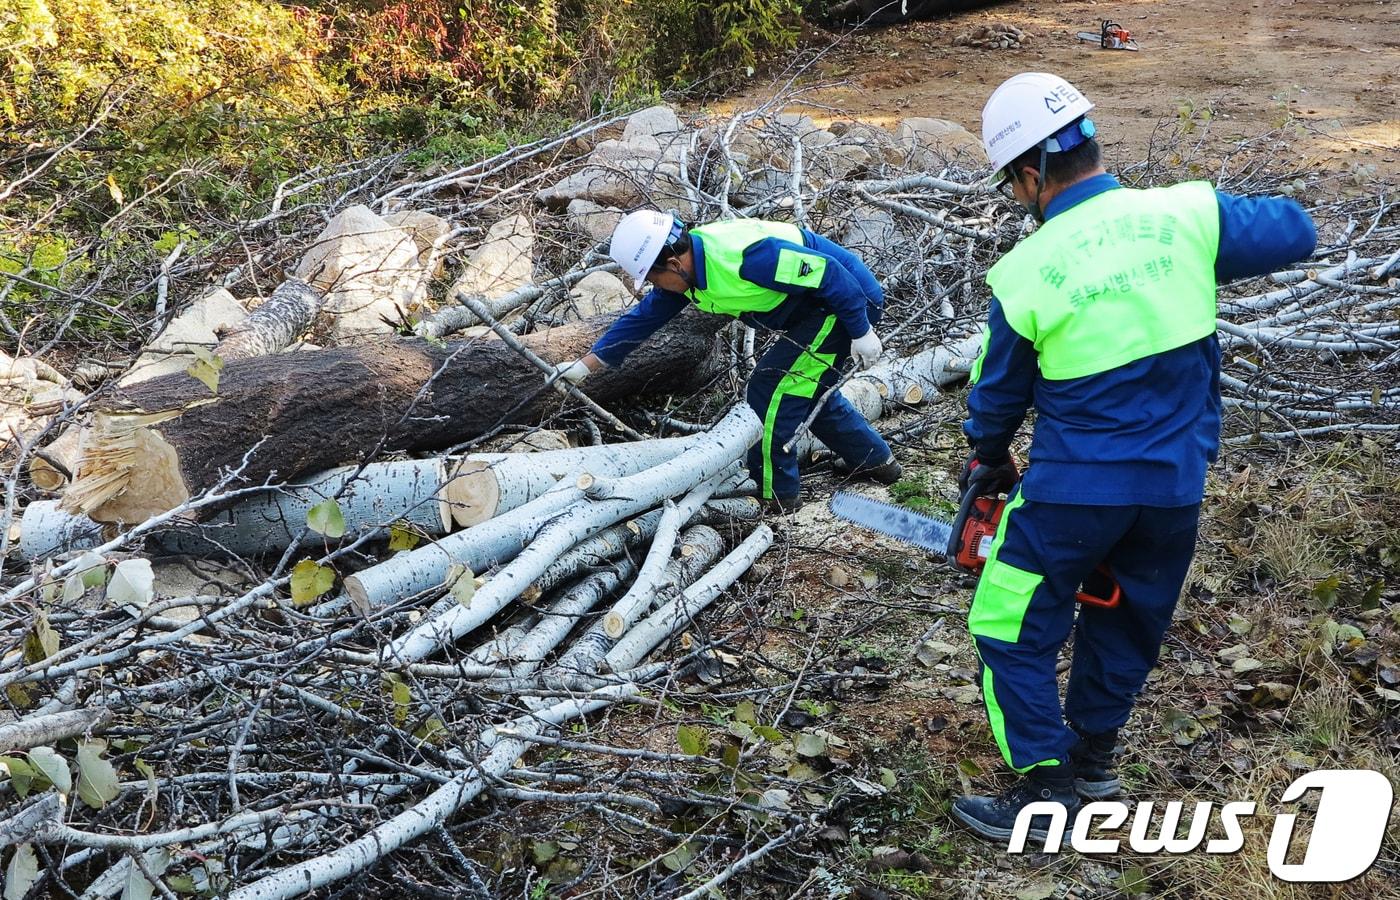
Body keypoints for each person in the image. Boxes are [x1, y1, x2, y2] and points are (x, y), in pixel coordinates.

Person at [952, 72, 1316, 842]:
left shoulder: (1024, 274)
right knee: (1123, 619)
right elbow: (1296, 231)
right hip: (1174, 487)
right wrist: (1203, 233)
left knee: (1007, 625)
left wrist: (988, 459)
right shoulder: (1184, 215)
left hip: (1073, 493)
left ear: (1027, 175)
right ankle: (1096, 761)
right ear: (1088, 140)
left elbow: (994, 398)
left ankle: (1045, 792)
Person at [555, 211, 902, 512]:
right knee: (805, 391)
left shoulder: (749, 258)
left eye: (653, 278)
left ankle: (776, 494)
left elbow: (829, 274)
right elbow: (642, 320)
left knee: (770, 389)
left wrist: (860, 330)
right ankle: (875, 461)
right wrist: (586, 365)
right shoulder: (690, 270)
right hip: (813, 310)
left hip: (844, 303)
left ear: (674, 264)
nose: (653, 287)